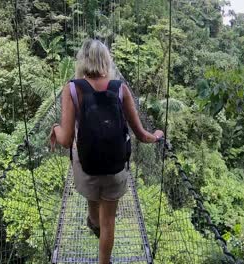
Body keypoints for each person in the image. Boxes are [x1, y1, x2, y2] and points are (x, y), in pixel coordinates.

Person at [49, 39, 164, 264]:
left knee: (95, 212)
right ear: (106, 60)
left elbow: (65, 141)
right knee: (108, 221)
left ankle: (93, 221)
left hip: (87, 166)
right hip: (115, 167)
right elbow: (142, 135)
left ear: (82, 60)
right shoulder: (119, 88)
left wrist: (55, 128)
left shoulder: (72, 88)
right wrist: (157, 135)